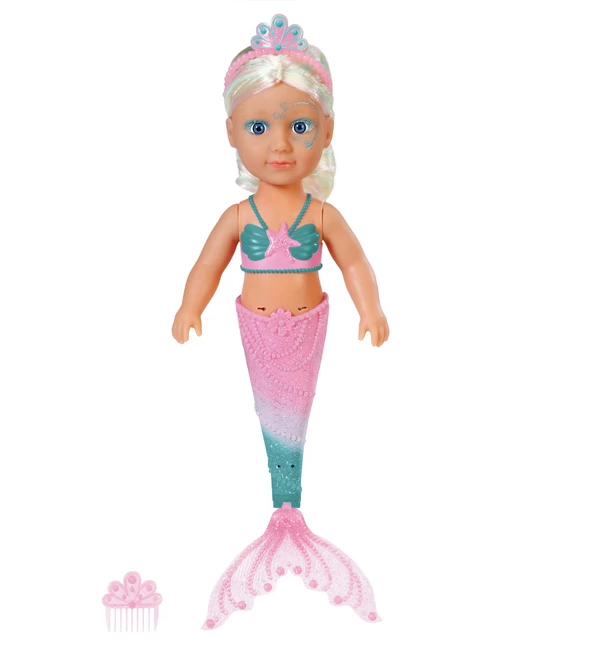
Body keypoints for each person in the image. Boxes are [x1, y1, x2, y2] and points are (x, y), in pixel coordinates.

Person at [172, 14, 388, 629]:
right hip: (258, 329)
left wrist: (370, 307)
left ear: (327, 130)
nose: (282, 146)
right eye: (259, 127)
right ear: (232, 133)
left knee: (296, 415)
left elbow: (354, 262)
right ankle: (282, 505)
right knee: (272, 418)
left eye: (300, 126)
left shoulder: (322, 213)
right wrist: (190, 305)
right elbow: (207, 265)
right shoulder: (238, 215)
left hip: (309, 327)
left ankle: (289, 507)